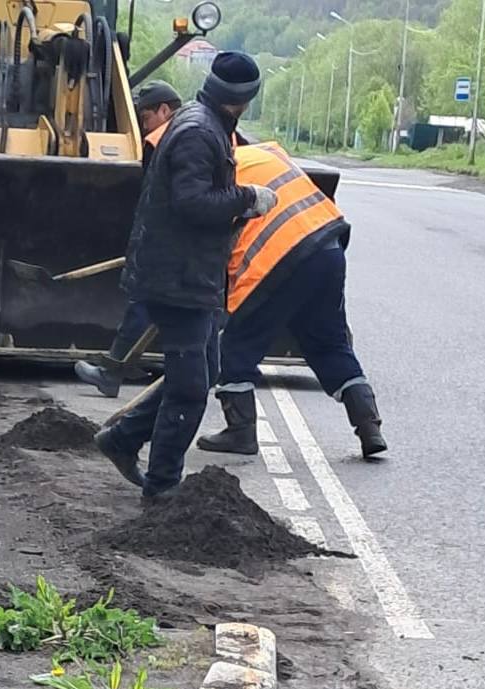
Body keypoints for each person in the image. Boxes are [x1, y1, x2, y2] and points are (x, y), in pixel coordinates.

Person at [93, 53, 277, 501]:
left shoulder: (204, 124)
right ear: (245, 100)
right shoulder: (199, 132)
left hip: (185, 273)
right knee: (192, 386)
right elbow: (192, 202)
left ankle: (123, 439)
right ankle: (162, 488)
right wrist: (245, 197)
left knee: (202, 371)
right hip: (176, 279)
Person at [196, 141, 387, 459]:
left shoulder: (216, 172)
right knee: (329, 343)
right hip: (327, 245)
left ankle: (240, 432)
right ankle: (369, 425)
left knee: (235, 348)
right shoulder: (268, 153)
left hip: (277, 260)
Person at [73, 80, 182, 398]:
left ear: (164, 110)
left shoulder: (167, 139)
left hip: (169, 246)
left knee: (144, 304)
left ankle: (113, 373)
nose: (144, 128)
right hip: (179, 245)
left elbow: (162, 201)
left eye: (145, 118)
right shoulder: (195, 134)